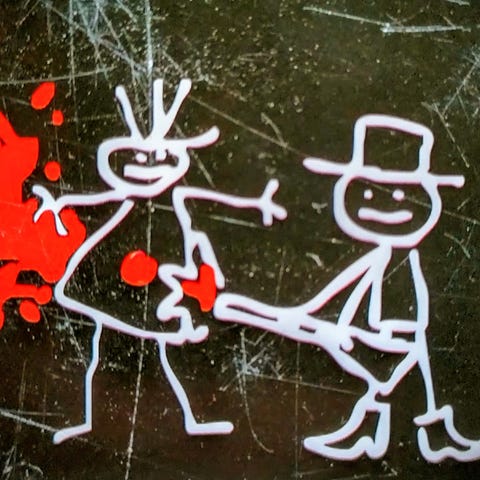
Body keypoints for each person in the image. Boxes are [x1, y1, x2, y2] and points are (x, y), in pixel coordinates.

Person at [214, 114, 480, 462]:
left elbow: (403, 325)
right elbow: (336, 297)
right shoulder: (381, 258)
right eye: (367, 192)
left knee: (390, 380)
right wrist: (302, 319)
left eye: (401, 194)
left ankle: (402, 425)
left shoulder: (402, 263)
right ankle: (402, 424)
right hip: (371, 340)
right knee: (382, 377)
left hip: (388, 342)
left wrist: (347, 333)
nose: (385, 205)